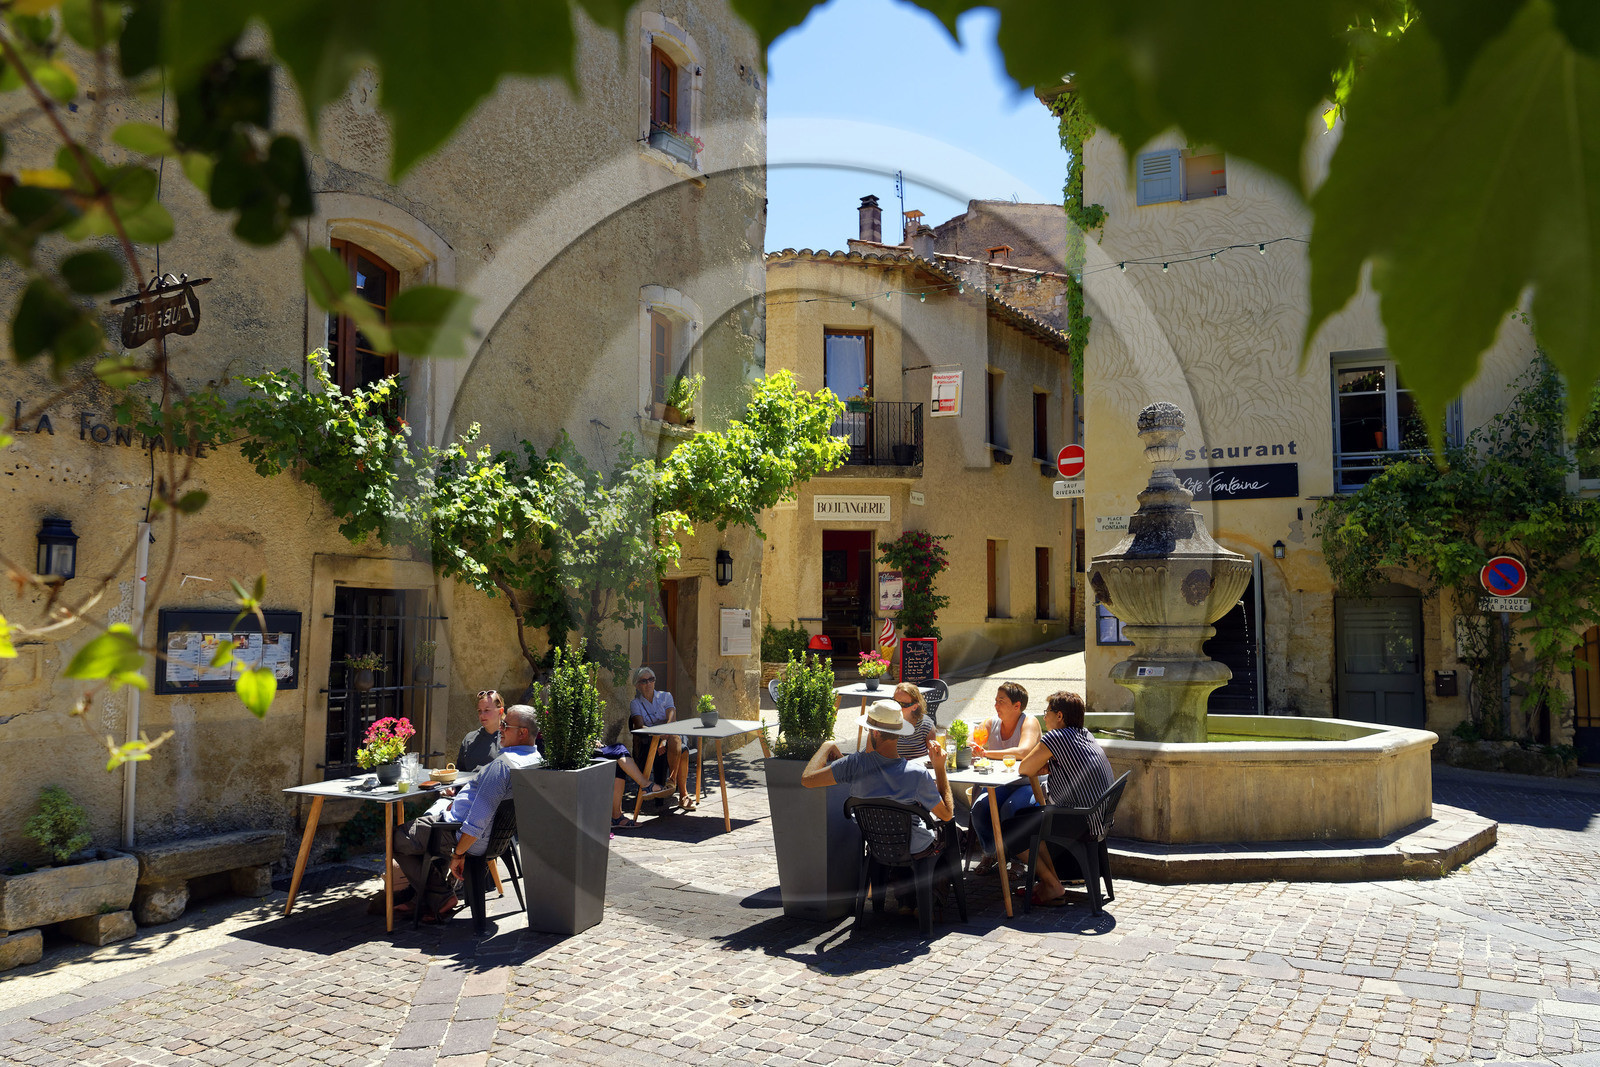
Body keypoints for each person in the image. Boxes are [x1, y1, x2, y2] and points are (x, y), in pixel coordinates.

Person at [393, 704, 543, 921]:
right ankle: (425, 897)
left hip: (460, 832)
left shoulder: (502, 766)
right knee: (428, 829)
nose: (500, 729)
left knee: (398, 837)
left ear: (522, 733)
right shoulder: (536, 760)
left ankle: (440, 896)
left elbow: (477, 822)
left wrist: (459, 854)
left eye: (505, 725)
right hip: (499, 837)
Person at [801, 699, 954, 858]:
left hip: (876, 847)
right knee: (952, 833)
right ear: (900, 731)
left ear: (874, 732)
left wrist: (827, 745)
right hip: (913, 850)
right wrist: (939, 768)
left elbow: (807, 779)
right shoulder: (917, 774)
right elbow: (947, 815)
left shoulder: (853, 765)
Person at [1006, 690, 1116, 907]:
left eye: (1047, 712)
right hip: (1098, 818)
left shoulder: (1057, 737)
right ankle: (1050, 883)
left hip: (1080, 820)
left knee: (1011, 830)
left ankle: (1052, 884)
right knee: (1027, 819)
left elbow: (1025, 767)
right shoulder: (1084, 734)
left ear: (1060, 716)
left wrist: (1040, 765)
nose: (1044, 717)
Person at [969, 681, 1043, 867]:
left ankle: (1018, 860)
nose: (996, 705)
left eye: (1001, 701)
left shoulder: (1029, 722)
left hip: (1027, 783)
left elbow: (1024, 751)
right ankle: (992, 853)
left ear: (1017, 706)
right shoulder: (990, 723)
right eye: (995, 700)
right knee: (979, 809)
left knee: (1011, 810)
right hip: (1000, 783)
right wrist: (971, 746)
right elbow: (970, 742)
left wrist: (985, 753)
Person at [629, 667, 692, 809]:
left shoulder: (665, 696)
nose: (649, 683)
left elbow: (672, 719)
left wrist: (664, 739)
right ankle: (682, 794)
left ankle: (672, 781)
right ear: (637, 686)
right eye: (644, 681)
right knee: (683, 750)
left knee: (677, 740)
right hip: (651, 741)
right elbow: (639, 726)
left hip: (671, 736)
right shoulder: (636, 704)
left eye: (651, 679)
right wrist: (658, 736)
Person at [456, 689, 504, 772]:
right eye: (479, 711)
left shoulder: (510, 739)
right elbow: (460, 772)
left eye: (487, 710)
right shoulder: (469, 739)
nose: (482, 715)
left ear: (500, 711)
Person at [892, 682, 937, 759]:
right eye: (894, 702)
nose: (896, 706)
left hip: (917, 769)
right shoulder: (885, 722)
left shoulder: (925, 724)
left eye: (902, 704)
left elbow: (934, 755)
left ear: (914, 707)